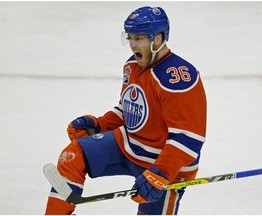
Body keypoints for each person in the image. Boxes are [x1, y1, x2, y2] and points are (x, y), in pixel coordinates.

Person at [45, 6, 207, 215]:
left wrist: (161, 172)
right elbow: (127, 109)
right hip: (130, 146)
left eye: (139, 38)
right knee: (73, 155)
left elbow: (188, 138)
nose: (132, 45)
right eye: (130, 37)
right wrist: (100, 124)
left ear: (157, 39)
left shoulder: (177, 77)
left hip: (167, 163)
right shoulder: (132, 66)